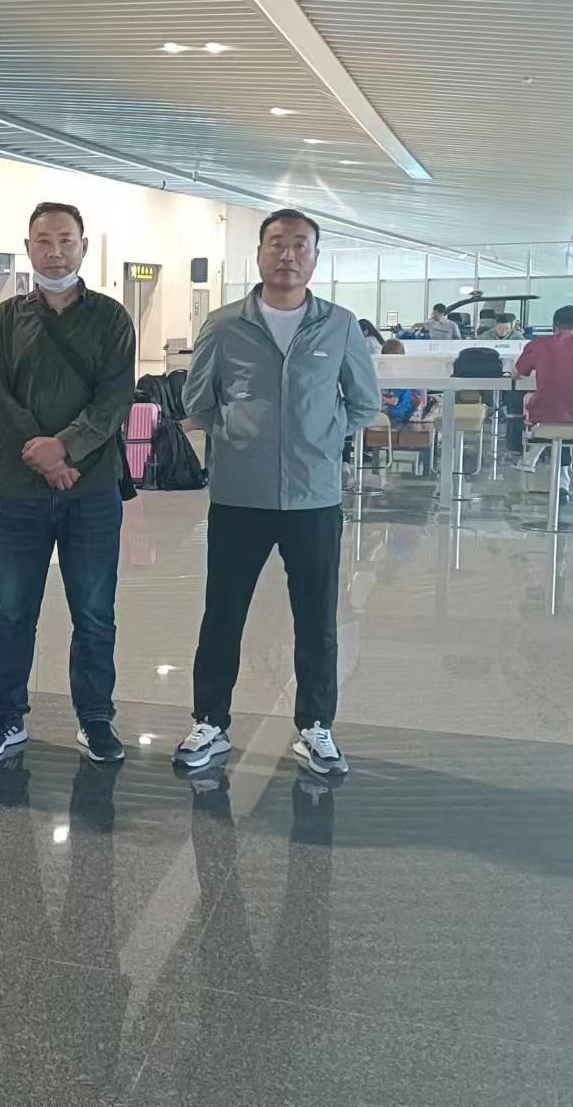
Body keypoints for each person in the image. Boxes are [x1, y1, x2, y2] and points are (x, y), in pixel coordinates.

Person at [177, 209, 380, 776]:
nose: (287, 255)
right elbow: (197, 402)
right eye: (277, 244)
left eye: (299, 245)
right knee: (223, 614)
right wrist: (240, 439)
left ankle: (316, 727)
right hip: (238, 497)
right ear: (260, 253)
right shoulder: (224, 325)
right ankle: (210, 722)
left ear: (315, 256)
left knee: (317, 618)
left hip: (314, 499)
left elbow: (364, 403)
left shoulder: (339, 325)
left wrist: (321, 440)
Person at [0, 201, 135, 763]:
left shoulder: (111, 318)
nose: (55, 251)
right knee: (13, 611)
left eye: (66, 240)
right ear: (28, 248)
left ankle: (95, 719)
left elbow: (114, 400)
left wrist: (65, 448)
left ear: (84, 246)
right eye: (43, 240)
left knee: (94, 612)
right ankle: (7, 716)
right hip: (22, 491)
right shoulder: (5, 319)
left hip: (93, 491)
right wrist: (43, 456)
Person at [511, 305, 573, 493]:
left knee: (550, 410)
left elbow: (515, 373)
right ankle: (565, 479)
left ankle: (540, 464)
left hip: (543, 415)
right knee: (570, 415)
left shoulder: (537, 344)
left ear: (554, 326)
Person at [379, 339, 425, 424]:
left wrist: (380, 396)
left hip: (398, 414)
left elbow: (394, 401)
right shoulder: (407, 370)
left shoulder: (398, 377)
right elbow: (423, 397)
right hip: (407, 412)